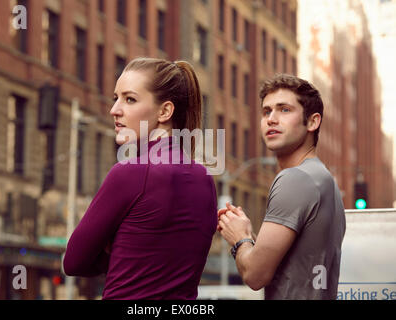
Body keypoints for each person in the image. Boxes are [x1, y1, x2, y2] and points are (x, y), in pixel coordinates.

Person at [63, 57, 217, 300]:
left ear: (165, 111)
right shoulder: (205, 179)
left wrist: (116, 247)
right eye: (116, 98)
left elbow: (73, 262)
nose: (114, 110)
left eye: (130, 99)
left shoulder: (131, 172)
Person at [218, 74, 346, 300]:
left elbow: (255, 275)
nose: (271, 119)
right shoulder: (324, 179)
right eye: (266, 111)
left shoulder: (295, 179)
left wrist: (239, 238)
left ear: (313, 122)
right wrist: (250, 236)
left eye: (284, 110)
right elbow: (295, 268)